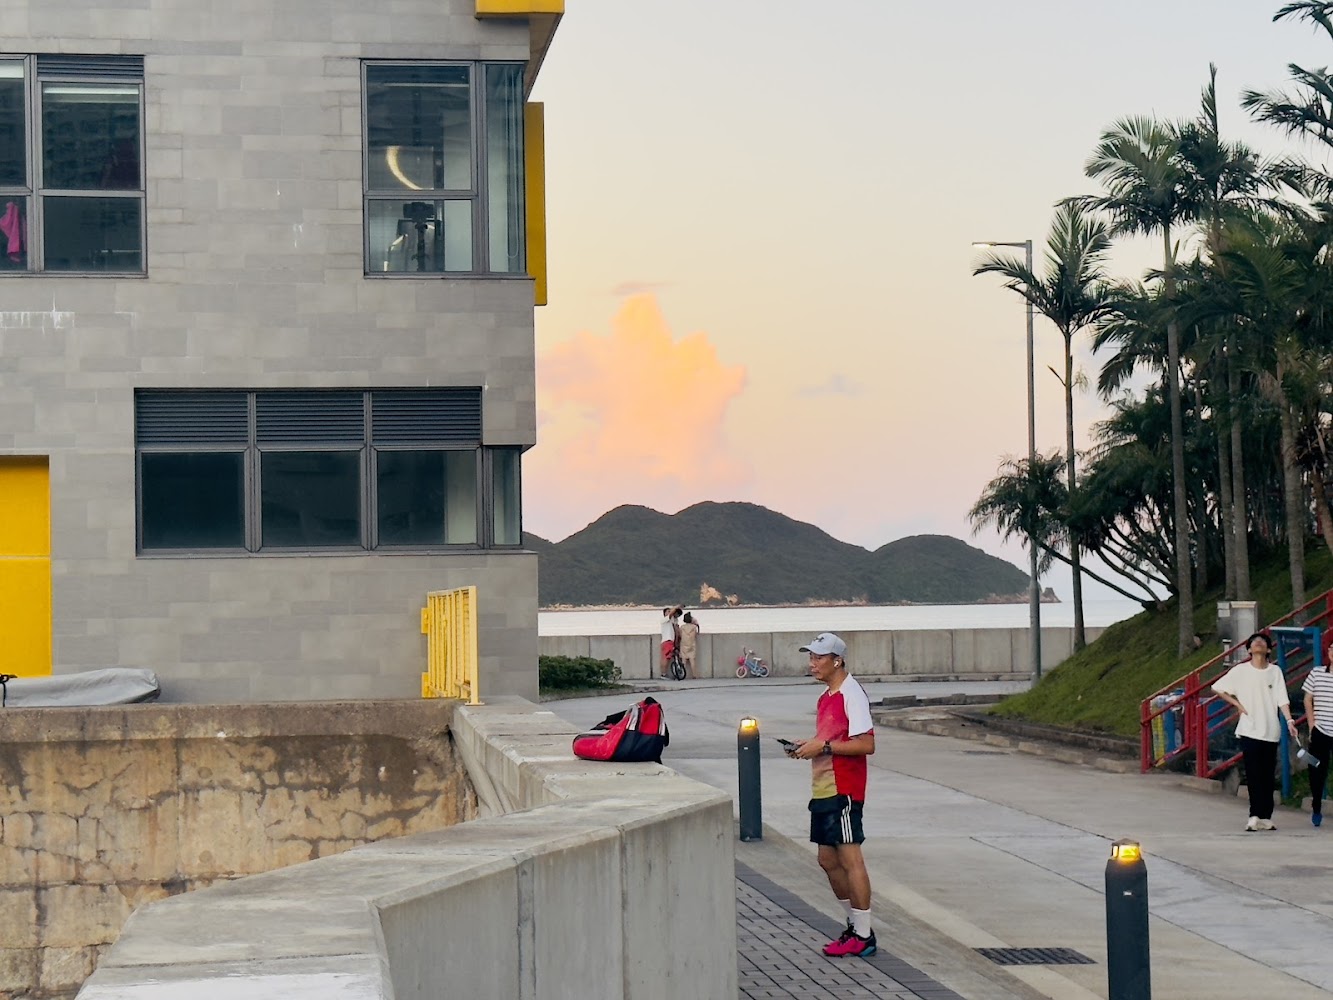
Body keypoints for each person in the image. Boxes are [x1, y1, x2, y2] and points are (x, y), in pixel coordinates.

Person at [788, 632, 876, 957]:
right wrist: (807, 747)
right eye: (810, 657)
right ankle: (856, 926)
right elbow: (829, 739)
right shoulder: (826, 697)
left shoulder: (852, 693)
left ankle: (864, 936)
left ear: (837, 660)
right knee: (827, 860)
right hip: (823, 788)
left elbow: (866, 744)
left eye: (818, 658)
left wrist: (823, 746)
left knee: (851, 859)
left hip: (845, 790)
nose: (812, 664)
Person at [1212, 632, 1298, 831]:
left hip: (1271, 730)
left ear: (1268, 650)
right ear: (1249, 650)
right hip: (1249, 729)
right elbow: (1217, 688)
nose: (1258, 644)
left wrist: (1290, 720)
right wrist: (1237, 705)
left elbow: (1282, 699)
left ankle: (1266, 816)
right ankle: (1254, 815)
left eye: (1262, 642)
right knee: (1253, 774)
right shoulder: (1240, 671)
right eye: (1254, 643)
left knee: (1268, 775)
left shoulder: (1275, 671)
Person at [1302, 645, 1333, 827]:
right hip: (1320, 730)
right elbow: (1307, 698)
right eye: (1331, 649)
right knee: (1316, 770)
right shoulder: (1317, 673)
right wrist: (1311, 724)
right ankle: (1316, 806)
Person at [678, 612, 700, 679]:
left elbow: (680, 635)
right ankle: (694, 675)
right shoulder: (693, 627)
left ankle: (682, 674)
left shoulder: (682, 627)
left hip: (684, 645)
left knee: (683, 661)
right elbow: (696, 634)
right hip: (692, 644)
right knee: (692, 660)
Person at [658, 608, 676, 679]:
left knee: (664, 658)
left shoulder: (669, 621)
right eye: (668, 611)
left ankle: (663, 673)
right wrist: (677, 607)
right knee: (666, 659)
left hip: (665, 642)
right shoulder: (665, 619)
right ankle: (663, 674)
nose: (670, 612)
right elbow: (671, 614)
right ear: (665, 613)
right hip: (667, 641)